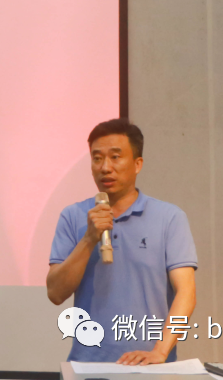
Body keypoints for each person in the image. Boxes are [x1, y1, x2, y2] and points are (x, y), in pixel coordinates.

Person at [47, 119, 197, 364]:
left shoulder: (169, 218)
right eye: (97, 158)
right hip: (88, 365)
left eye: (115, 157)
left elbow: (187, 292)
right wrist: (89, 238)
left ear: (137, 164)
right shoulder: (73, 216)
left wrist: (161, 351)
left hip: (150, 366)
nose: (105, 167)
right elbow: (55, 293)